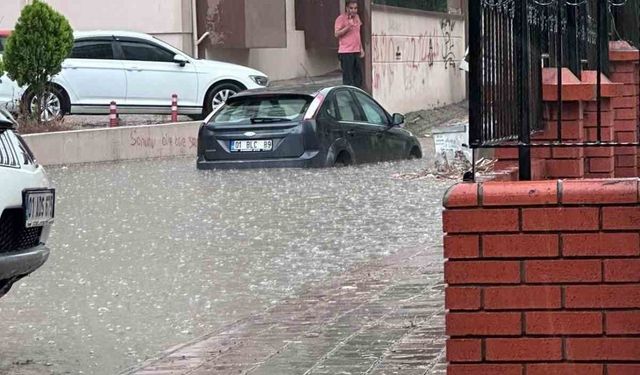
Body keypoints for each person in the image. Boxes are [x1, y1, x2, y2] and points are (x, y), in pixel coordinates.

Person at [334, 0, 364, 88]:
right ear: (347, 8)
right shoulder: (341, 18)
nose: (353, 10)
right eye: (351, 8)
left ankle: (356, 97)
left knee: (358, 77)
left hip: (356, 51)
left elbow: (357, 34)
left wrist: (361, 48)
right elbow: (336, 34)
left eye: (355, 8)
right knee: (348, 79)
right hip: (346, 52)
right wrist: (348, 26)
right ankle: (348, 99)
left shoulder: (357, 17)